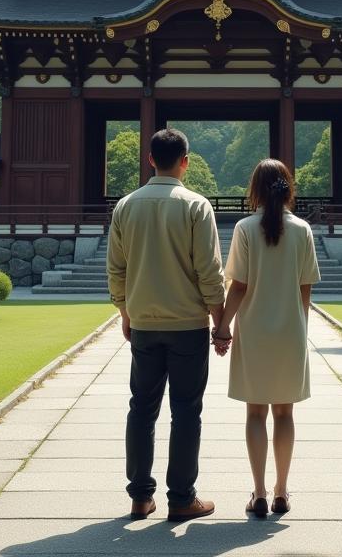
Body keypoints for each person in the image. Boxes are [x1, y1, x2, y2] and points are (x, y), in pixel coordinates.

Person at [106, 127, 226, 523]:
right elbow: (209, 270)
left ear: (151, 159)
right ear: (185, 162)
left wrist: (125, 313)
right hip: (188, 323)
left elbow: (116, 270)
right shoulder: (196, 206)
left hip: (143, 322)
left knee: (141, 408)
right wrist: (219, 318)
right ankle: (181, 498)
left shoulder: (125, 205)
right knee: (186, 411)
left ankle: (140, 497)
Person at [213, 158, 321, 518]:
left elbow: (239, 286)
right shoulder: (302, 229)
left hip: (255, 331)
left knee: (256, 413)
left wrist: (223, 326)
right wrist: (300, 329)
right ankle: (281, 491)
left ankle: (258, 491)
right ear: (288, 187)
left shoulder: (245, 228)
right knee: (285, 413)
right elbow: (305, 291)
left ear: (255, 190)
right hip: (291, 331)